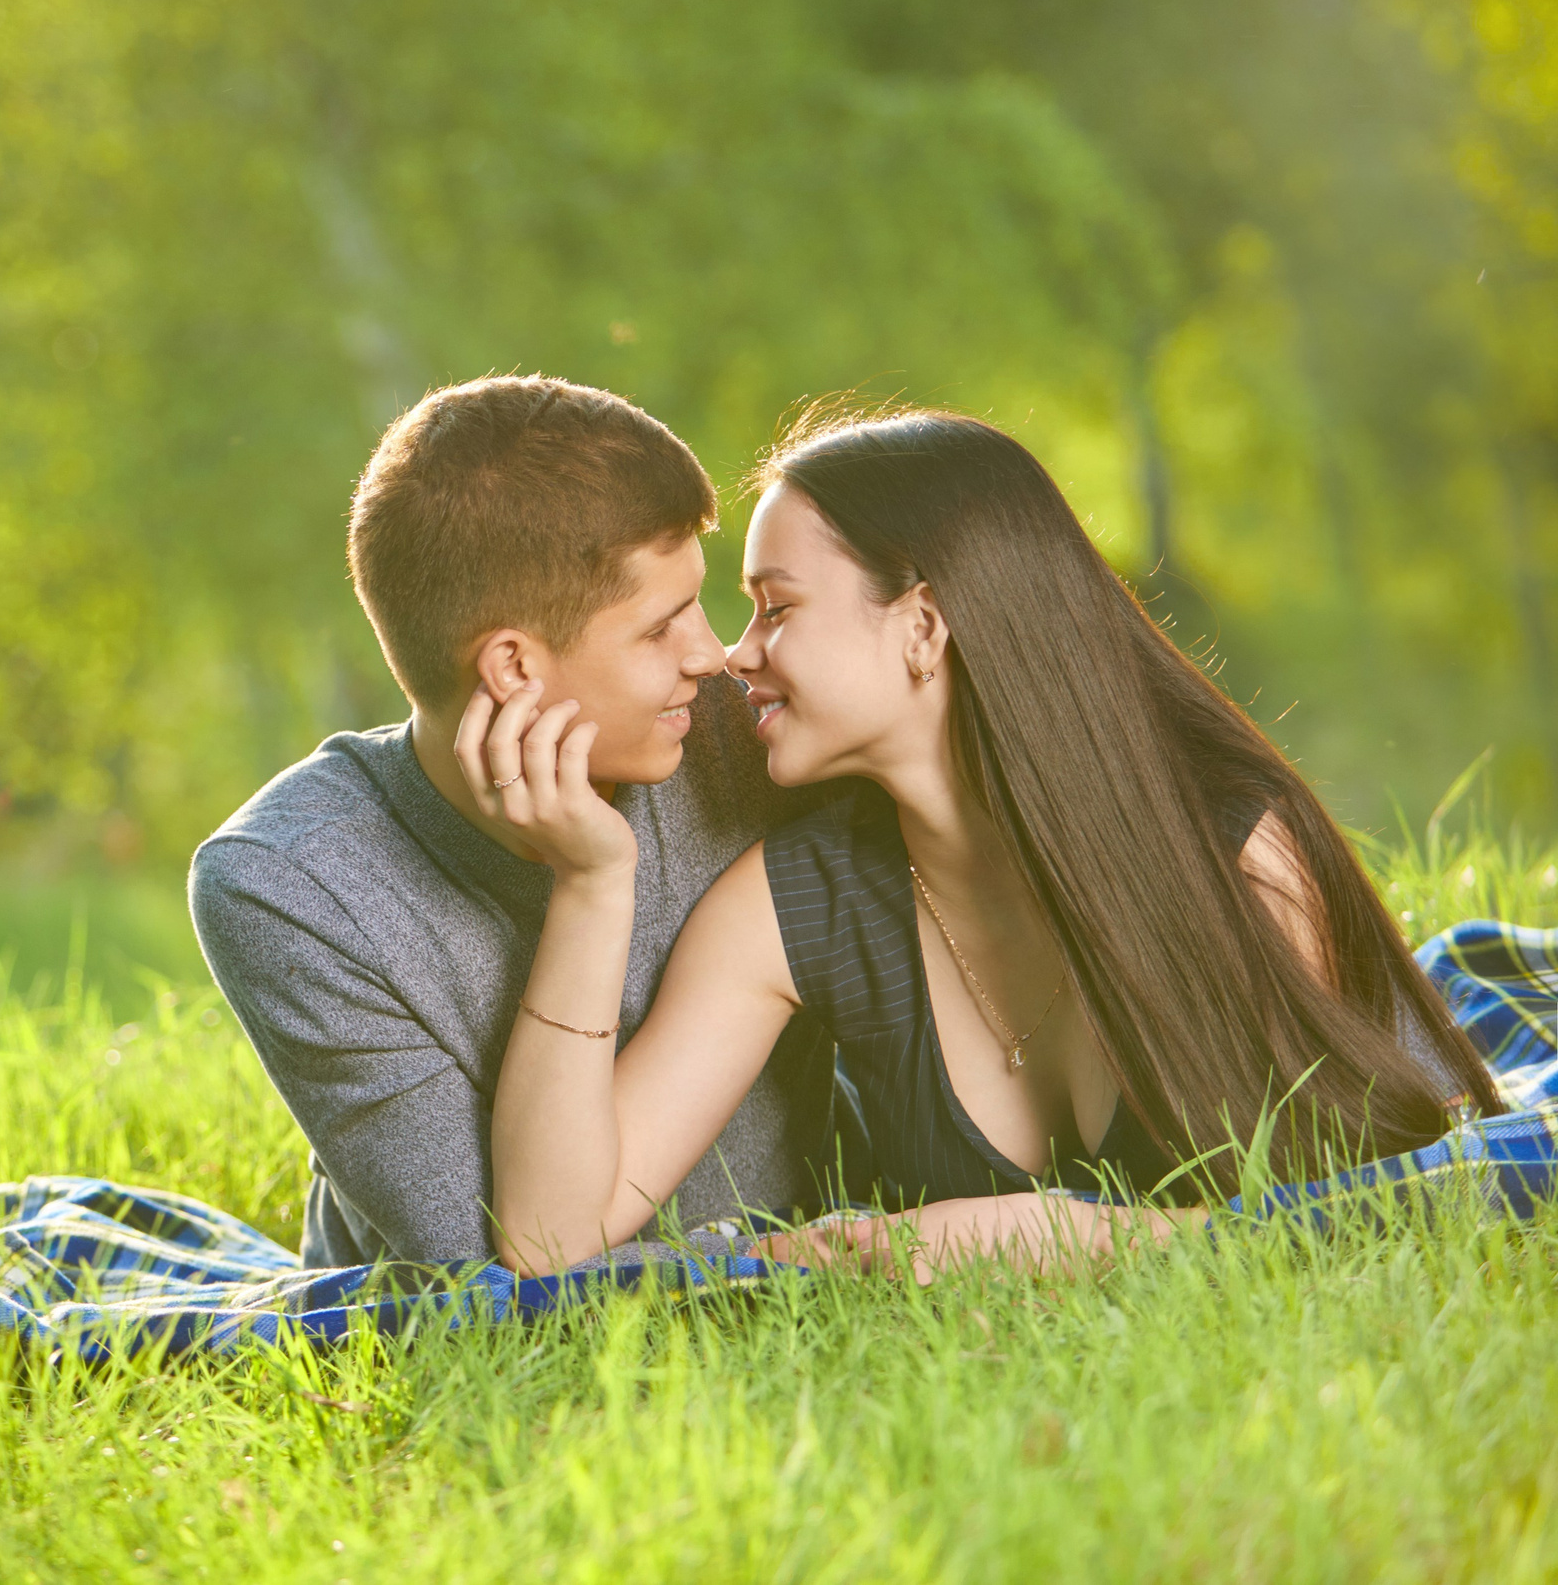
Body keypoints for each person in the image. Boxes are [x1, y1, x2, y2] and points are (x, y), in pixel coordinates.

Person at [476, 408, 1503, 1280]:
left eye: (774, 608)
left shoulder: (1231, 852)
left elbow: (1374, 1222)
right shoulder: (798, 900)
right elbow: (548, 1233)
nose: (734, 654)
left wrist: (1060, 1238)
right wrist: (590, 880)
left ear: (924, 625)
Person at [188, 375, 838, 1268]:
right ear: (512, 669)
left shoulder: (749, 730)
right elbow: (488, 1274)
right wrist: (594, 882)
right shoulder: (288, 884)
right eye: (661, 627)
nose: (712, 652)